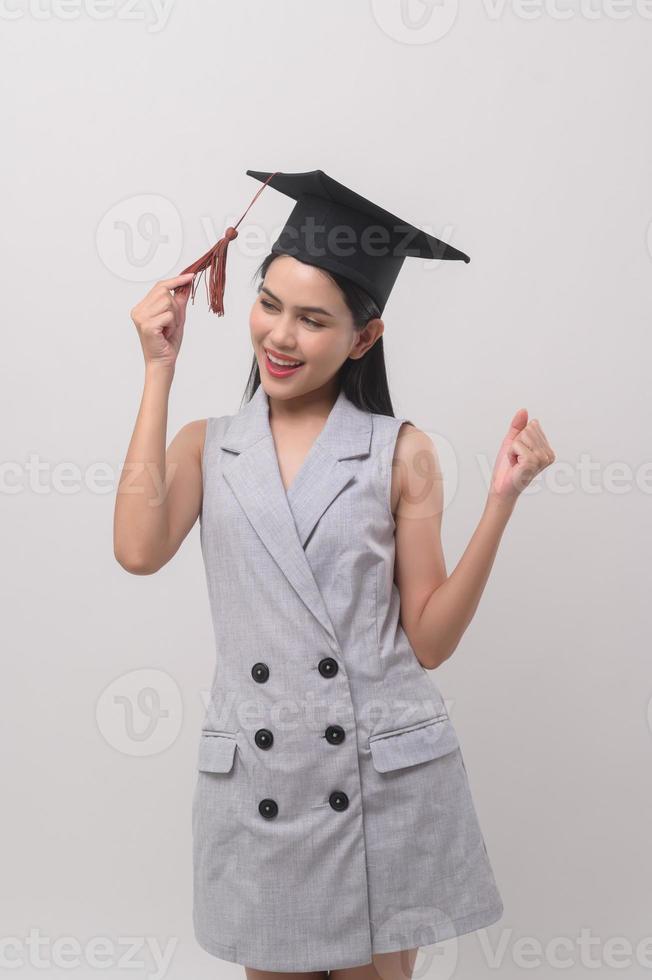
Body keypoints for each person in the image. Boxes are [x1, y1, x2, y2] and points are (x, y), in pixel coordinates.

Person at [113, 170, 555, 980]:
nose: (281, 336)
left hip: (379, 786)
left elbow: (428, 641)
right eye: (269, 304)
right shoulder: (206, 446)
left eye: (313, 319)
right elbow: (138, 550)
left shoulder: (402, 451)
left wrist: (502, 502)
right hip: (263, 777)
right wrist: (156, 369)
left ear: (362, 338)